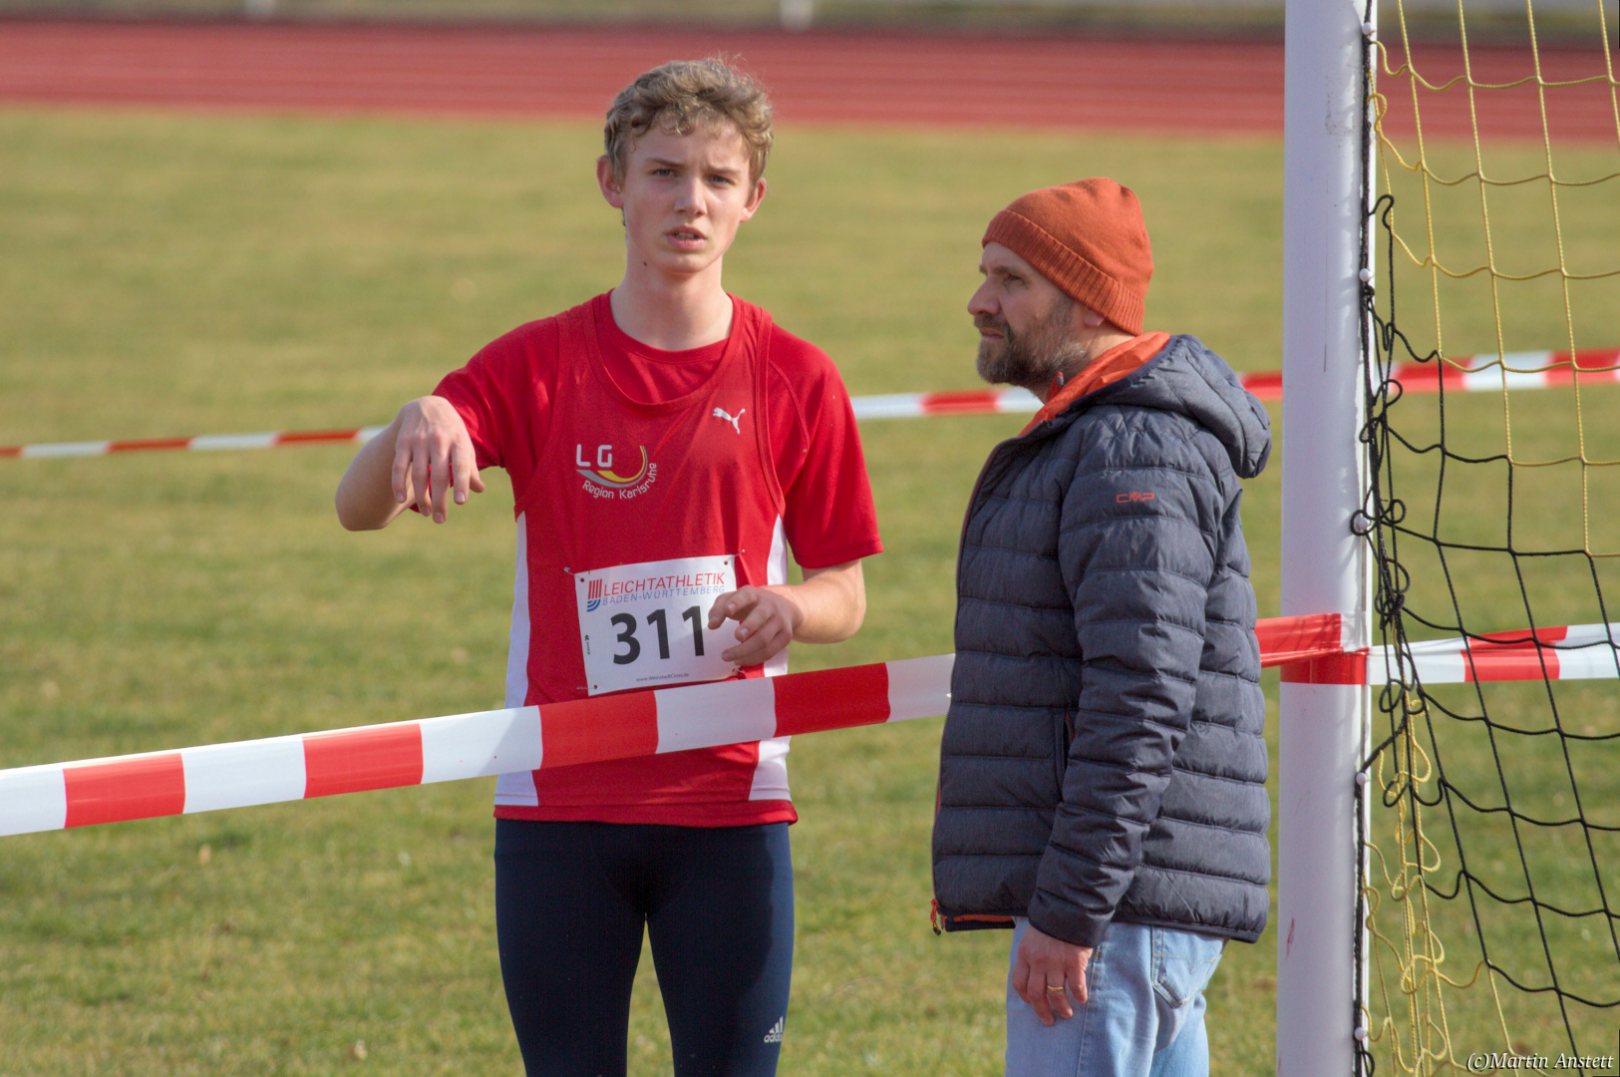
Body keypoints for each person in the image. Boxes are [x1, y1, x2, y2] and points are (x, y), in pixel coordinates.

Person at [335, 58, 882, 1076]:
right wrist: (418, 416)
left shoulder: (798, 377)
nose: (690, 201)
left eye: (718, 179)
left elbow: (846, 591)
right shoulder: (534, 365)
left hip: (730, 800)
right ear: (612, 184)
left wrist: (792, 608)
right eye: (663, 172)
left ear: (754, 199)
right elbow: (356, 509)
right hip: (559, 805)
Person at [930, 178, 1271, 1076]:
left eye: (1010, 280)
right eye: (985, 274)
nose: (979, 301)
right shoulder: (1103, 434)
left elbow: (1140, 698)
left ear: (1087, 301)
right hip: (1127, 905)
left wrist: (1072, 909)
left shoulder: (1133, 448)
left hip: (1112, 914)